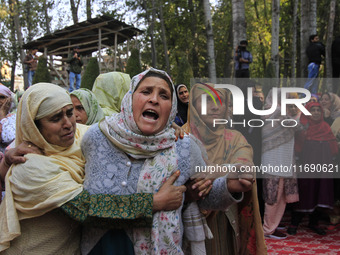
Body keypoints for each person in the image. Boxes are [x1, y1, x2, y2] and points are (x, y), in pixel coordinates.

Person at [80, 68, 254, 254]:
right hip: (101, 247)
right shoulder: (95, 137)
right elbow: (82, 205)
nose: (154, 99)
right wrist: (155, 202)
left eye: (164, 95)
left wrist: (228, 185)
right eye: (146, 91)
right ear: (130, 98)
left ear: (171, 108)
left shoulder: (183, 146)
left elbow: (202, 194)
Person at [0, 83, 186, 254]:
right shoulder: (28, 166)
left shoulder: (80, 137)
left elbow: (122, 130)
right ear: (34, 126)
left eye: (70, 112)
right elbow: (87, 208)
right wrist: (155, 202)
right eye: (56, 118)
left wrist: (167, 128)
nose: (68, 124)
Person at [183, 83, 267, 255]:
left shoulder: (235, 139)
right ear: (194, 105)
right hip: (184, 218)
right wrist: (225, 171)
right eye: (207, 100)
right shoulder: (179, 136)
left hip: (225, 219)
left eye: (220, 101)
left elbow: (244, 169)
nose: (215, 107)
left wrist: (208, 173)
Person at [287, 102, 338, 236]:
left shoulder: (326, 127)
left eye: (318, 110)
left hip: (323, 167)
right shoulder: (303, 128)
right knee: (304, 191)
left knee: (320, 191)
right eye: (313, 110)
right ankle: (294, 222)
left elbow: (333, 149)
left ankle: (314, 222)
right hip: (306, 167)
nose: (316, 112)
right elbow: (297, 149)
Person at [261, 89, 300, 240]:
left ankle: (273, 224)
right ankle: (268, 229)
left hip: (283, 157)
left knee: (281, 195)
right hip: (273, 158)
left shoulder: (283, 112)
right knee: (273, 195)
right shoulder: (273, 111)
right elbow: (295, 124)